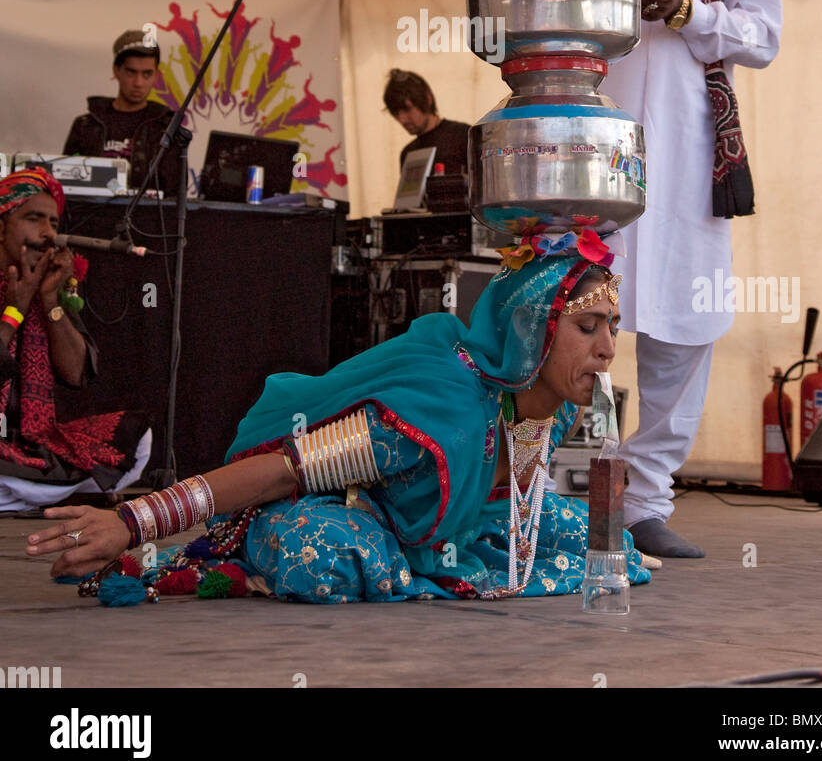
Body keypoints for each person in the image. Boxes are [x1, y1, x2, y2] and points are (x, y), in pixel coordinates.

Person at [26, 230, 658, 603]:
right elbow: (280, 473)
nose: (606, 349)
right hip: (331, 510)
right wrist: (130, 524)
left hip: (445, 530)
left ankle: (422, 561)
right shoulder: (437, 411)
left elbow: (523, 502)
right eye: (587, 327)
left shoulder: (550, 407)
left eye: (613, 329)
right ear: (529, 331)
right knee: (328, 556)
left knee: (604, 542)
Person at [602, 0, 783, 558]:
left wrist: (686, 11)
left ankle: (644, 502)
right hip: (598, 152)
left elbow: (762, 38)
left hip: (694, 153)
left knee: (686, 327)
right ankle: (575, 488)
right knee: (579, 320)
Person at [0, 169, 150, 511]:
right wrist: (14, 309)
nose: (48, 234)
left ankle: (32, 494)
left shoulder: (47, 286)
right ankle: (47, 494)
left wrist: (51, 303)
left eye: (53, 223)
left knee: (139, 438)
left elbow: (76, 373)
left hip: (29, 446)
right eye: (34, 219)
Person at [62, 29, 179, 194]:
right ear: (116, 71)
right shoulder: (85, 125)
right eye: (131, 72)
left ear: (156, 76)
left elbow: (174, 196)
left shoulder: (166, 127)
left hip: (145, 218)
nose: (138, 83)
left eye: (147, 74)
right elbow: (66, 184)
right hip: (90, 216)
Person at [383, 68, 469, 176]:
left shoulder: (463, 136)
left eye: (407, 109)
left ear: (428, 99)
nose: (402, 119)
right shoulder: (407, 154)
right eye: (395, 113)